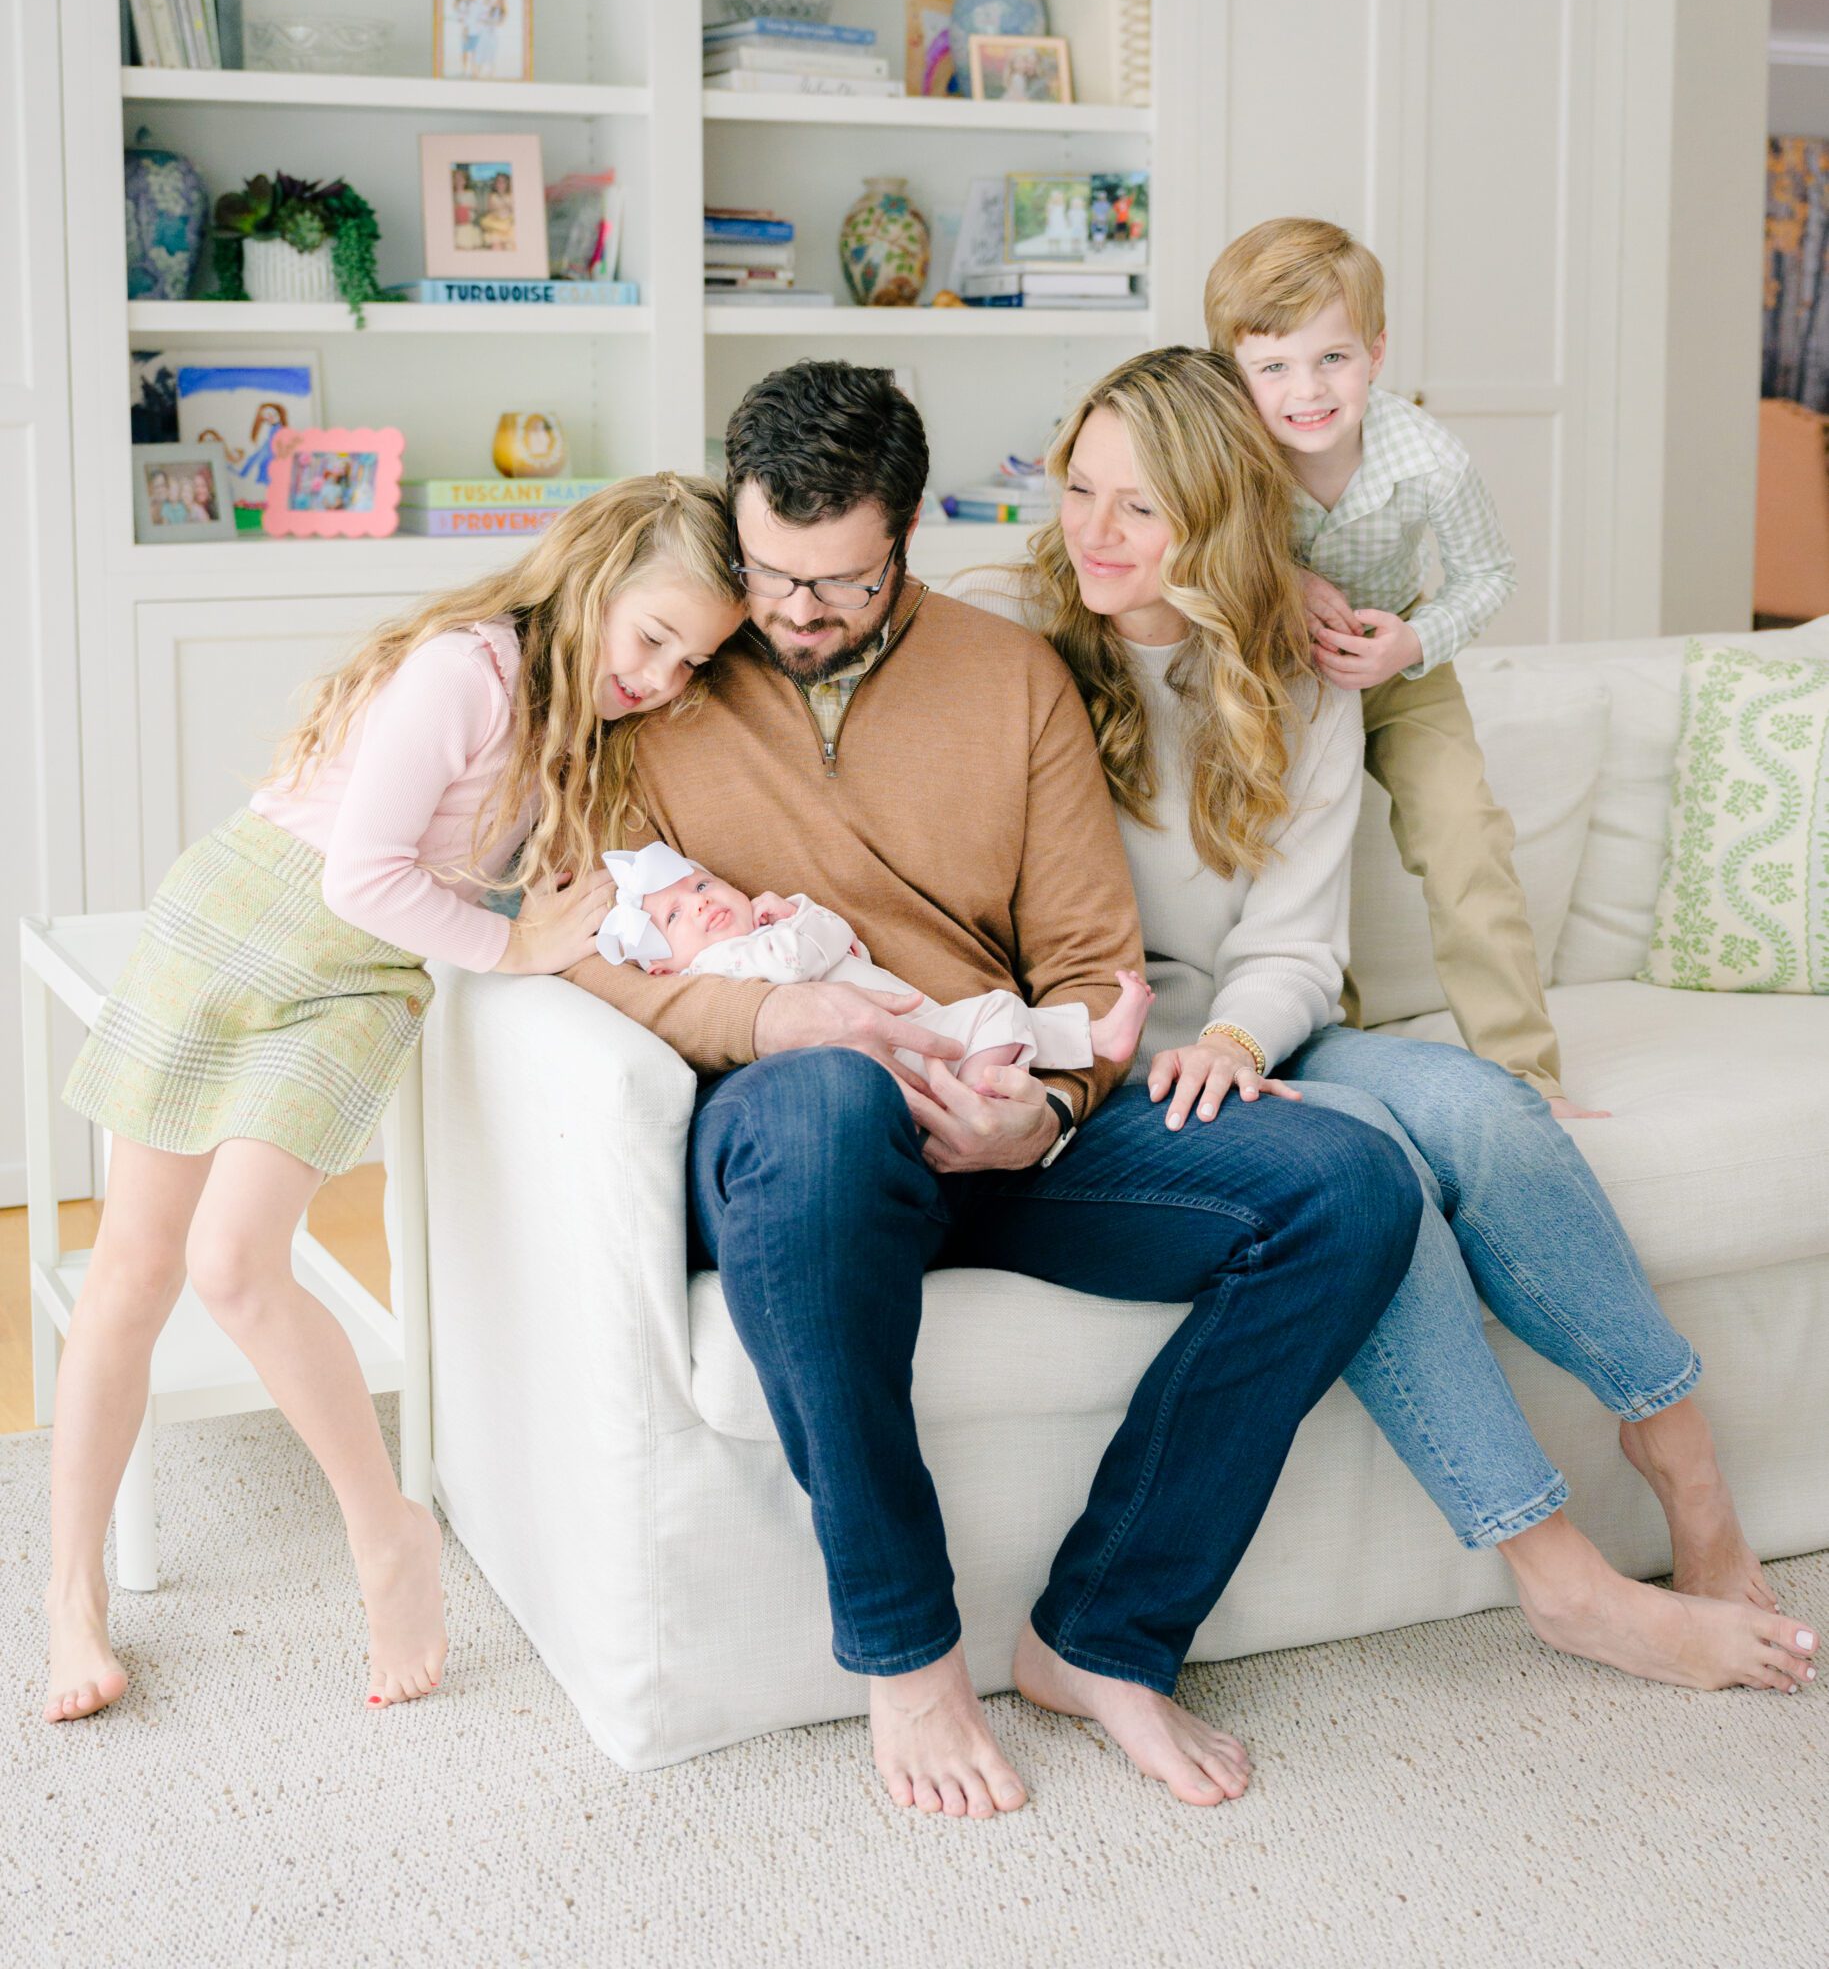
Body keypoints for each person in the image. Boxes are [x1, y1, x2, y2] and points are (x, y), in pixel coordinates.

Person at [566, 358, 1422, 1816]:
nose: (793, 612)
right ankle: (907, 1652)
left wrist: (1048, 1107)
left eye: (838, 581)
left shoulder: (1008, 673)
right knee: (831, 1093)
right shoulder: (653, 676)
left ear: (903, 537)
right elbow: (574, 941)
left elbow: (1093, 968)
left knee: (1346, 1188)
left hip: (996, 1118)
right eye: (770, 570)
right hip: (802, 1145)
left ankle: (1100, 1635)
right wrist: (770, 1010)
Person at [960, 347, 1816, 1701]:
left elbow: (1297, 941)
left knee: (1481, 1104)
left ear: (1221, 515)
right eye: (1081, 489)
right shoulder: (1006, 650)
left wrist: (1237, 1043)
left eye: (1142, 504)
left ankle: (1686, 1471)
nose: (1095, 531)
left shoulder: (1300, 665)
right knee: (1366, 1158)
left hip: (1249, 1034)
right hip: (1099, 1069)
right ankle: (1563, 1579)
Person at [42, 475, 746, 1727]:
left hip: (353, 982)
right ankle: (70, 1595)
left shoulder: (585, 728)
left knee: (234, 1265)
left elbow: (466, 894)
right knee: (131, 1268)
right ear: (593, 571)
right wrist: (515, 946)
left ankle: (388, 1533)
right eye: (653, 638)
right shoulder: (467, 671)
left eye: (691, 660)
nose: (663, 676)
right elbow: (365, 872)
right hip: (234, 921)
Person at [1204, 216, 1596, 1123]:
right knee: (1278, 856)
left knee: (1465, 837)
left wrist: (1411, 645)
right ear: (1234, 370)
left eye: (1332, 358)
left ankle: (1526, 1074)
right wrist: (1284, 576)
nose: (1306, 390)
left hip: (1399, 662)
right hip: (1272, 672)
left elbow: (1488, 572)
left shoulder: (1430, 460)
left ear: (1375, 354)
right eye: (1274, 367)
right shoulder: (1223, 451)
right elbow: (1187, 544)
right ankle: (1310, 1046)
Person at [594, 839, 1155, 1088]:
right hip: (895, 1054)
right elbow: (800, 957)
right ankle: (979, 1093)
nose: (699, 902)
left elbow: (837, 937)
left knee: (1000, 1011)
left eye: (701, 883)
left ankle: (1098, 1038)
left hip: (918, 1028)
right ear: (663, 970)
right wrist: (800, 915)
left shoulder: (761, 936)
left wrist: (794, 912)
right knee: (996, 1016)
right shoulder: (720, 969)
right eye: (673, 917)